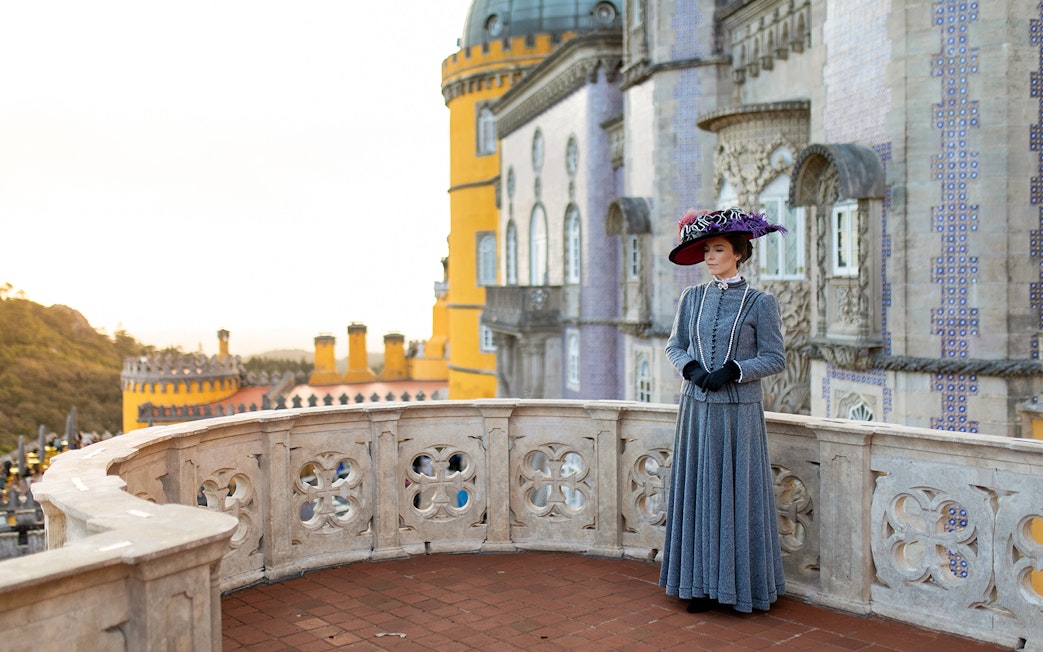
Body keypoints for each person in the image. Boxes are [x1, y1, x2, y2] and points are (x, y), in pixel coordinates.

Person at [659, 206, 788, 614]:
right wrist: (691, 368)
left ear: (738, 253)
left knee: (736, 497)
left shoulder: (760, 303)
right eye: (706, 251)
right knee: (698, 492)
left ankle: (735, 589)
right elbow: (674, 345)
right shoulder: (691, 297)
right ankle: (695, 586)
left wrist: (735, 370)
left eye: (717, 249)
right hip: (696, 412)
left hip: (739, 416)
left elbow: (775, 358)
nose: (709, 257)